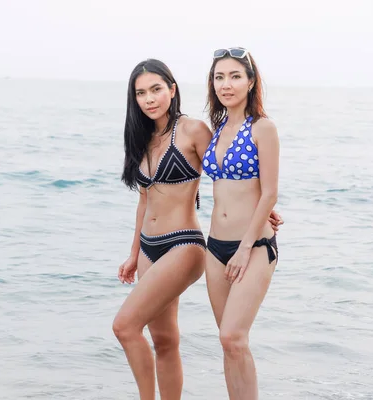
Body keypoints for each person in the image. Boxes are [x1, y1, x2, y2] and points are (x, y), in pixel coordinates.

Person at [112, 58, 283, 400]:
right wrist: (133, 254)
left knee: (125, 326)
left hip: (183, 244)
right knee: (165, 340)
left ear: (172, 90)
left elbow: (224, 171)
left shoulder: (194, 130)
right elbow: (144, 200)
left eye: (156, 89)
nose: (150, 98)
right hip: (149, 246)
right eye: (141, 93)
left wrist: (265, 209)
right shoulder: (141, 139)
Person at [202, 47, 281, 399]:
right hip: (215, 247)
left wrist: (246, 248)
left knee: (232, 336)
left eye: (235, 76)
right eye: (219, 77)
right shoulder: (217, 130)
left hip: (253, 248)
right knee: (229, 344)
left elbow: (269, 193)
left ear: (250, 82)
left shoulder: (263, 128)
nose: (226, 84)